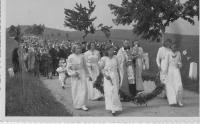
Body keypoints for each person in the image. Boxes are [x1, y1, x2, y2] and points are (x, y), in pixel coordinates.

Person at [99, 44, 122, 116]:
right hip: (108, 78)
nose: (112, 51)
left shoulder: (116, 58)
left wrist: (120, 76)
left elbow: (119, 68)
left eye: (112, 50)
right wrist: (105, 75)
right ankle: (112, 109)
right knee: (109, 92)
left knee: (115, 92)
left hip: (115, 77)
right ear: (107, 51)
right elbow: (100, 69)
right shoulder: (104, 59)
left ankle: (115, 107)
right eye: (110, 50)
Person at [66, 43, 89, 111]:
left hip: (82, 73)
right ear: (74, 49)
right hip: (75, 74)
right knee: (76, 89)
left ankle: (83, 104)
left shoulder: (82, 56)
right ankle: (77, 104)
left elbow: (85, 66)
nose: (79, 49)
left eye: (79, 48)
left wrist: (88, 74)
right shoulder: (70, 57)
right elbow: (68, 68)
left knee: (84, 89)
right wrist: (73, 73)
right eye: (77, 48)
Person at [165, 41, 183, 107]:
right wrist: (165, 73)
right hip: (170, 71)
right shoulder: (168, 53)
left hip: (176, 70)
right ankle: (172, 102)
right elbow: (166, 64)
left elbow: (180, 62)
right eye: (173, 47)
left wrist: (180, 64)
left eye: (176, 47)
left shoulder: (179, 53)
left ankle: (179, 101)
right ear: (171, 47)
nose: (174, 48)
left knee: (179, 85)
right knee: (170, 86)